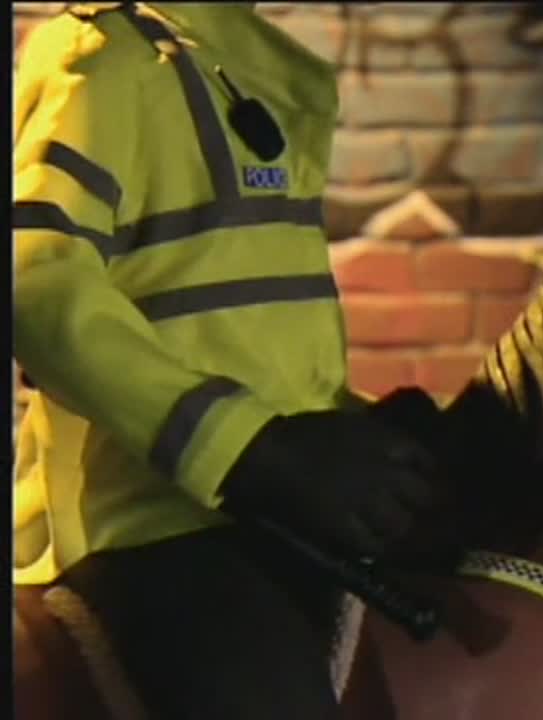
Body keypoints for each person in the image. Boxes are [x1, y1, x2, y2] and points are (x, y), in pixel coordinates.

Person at [13, 4, 453, 717]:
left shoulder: (241, 65)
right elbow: (33, 284)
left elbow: (246, 338)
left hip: (277, 512)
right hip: (147, 529)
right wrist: (253, 451)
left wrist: (360, 436)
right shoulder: (101, 57)